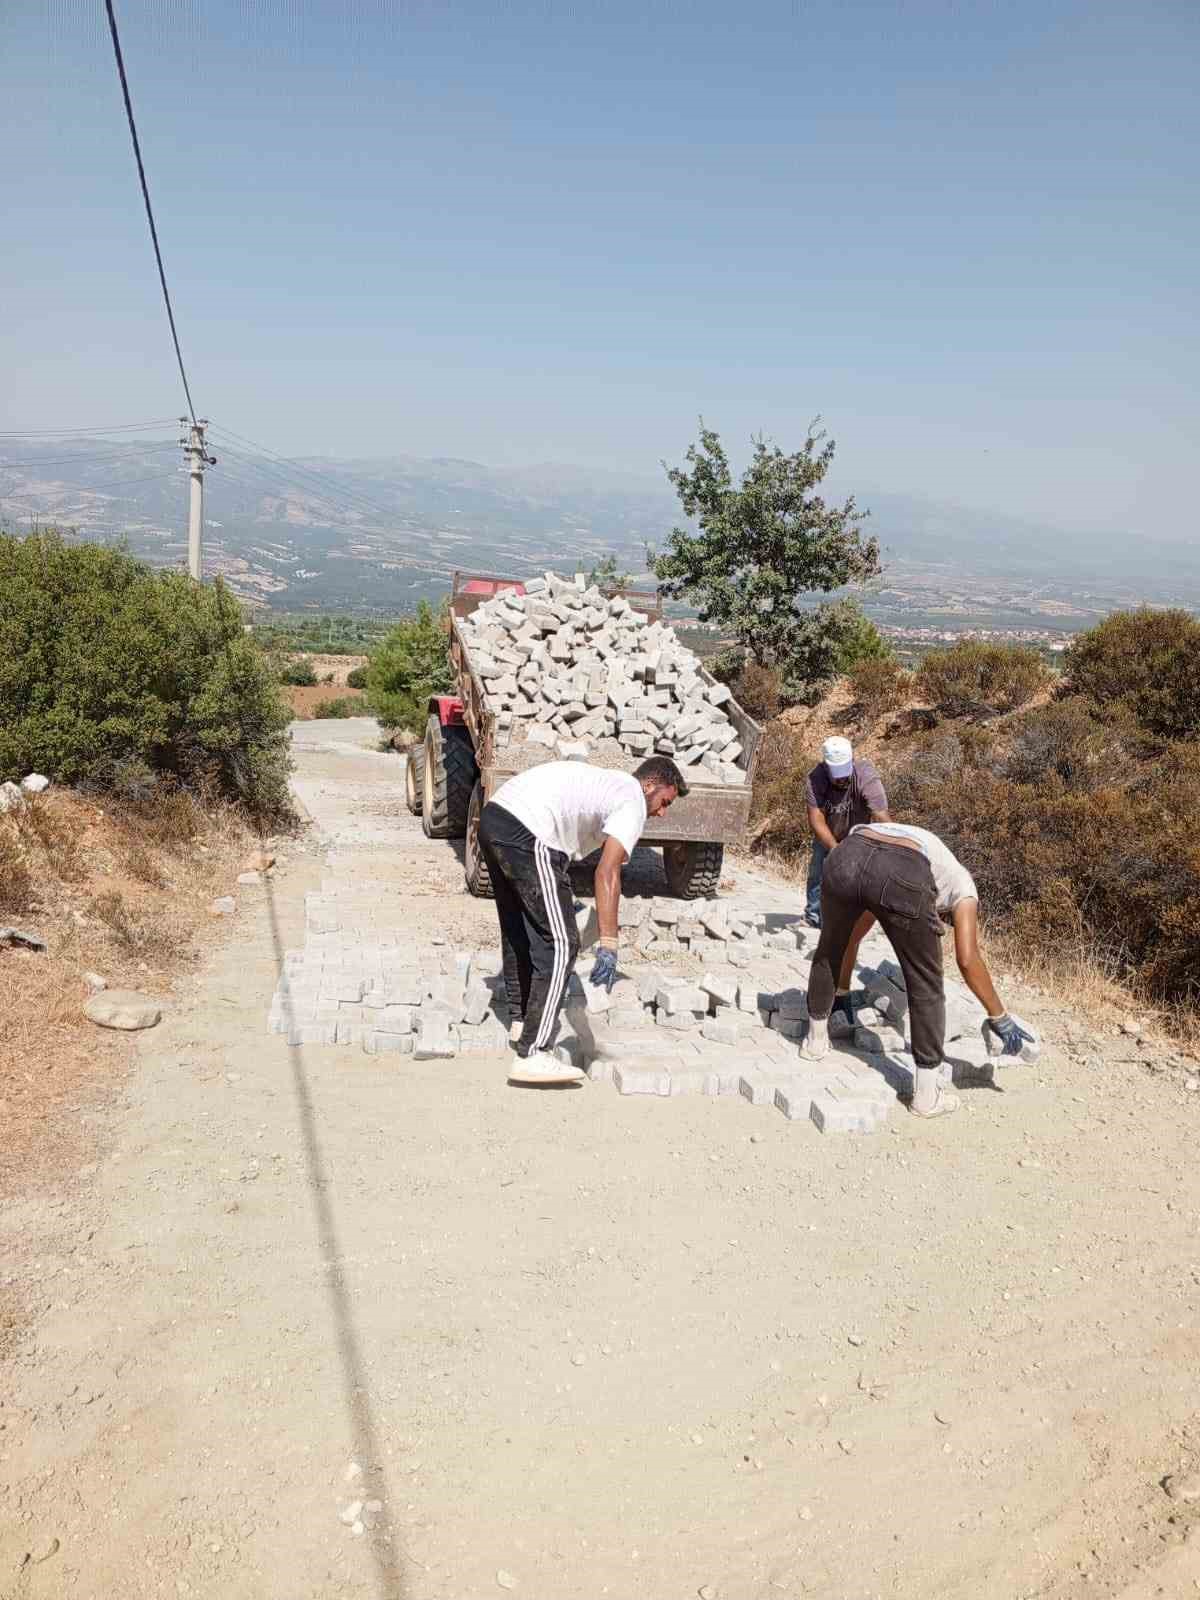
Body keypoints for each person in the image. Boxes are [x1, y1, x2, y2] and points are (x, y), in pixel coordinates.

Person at [800, 821, 1035, 1118]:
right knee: (925, 981)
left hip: (849, 853)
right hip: (900, 870)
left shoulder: (933, 855)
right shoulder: (964, 888)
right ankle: (926, 1097)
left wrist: (843, 993)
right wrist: (1000, 1017)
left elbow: (853, 935)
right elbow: (967, 958)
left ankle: (815, 1042)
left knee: (829, 946)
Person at [478, 756, 686, 1085]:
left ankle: (521, 1022)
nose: (662, 812)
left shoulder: (609, 786)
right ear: (649, 786)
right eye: (665, 802)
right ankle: (533, 1054)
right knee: (562, 943)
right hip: (529, 829)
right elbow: (608, 871)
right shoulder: (632, 799)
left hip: (495, 816)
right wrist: (609, 943)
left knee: (521, 929)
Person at [804, 736, 890, 928]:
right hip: (828, 832)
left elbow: (881, 815)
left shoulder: (866, 775)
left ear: (852, 759)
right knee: (818, 872)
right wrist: (835, 848)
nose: (841, 778)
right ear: (826, 765)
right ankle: (813, 915)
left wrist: (892, 846)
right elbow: (816, 819)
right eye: (836, 773)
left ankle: (852, 922)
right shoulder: (816, 778)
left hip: (858, 835)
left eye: (844, 771)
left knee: (856, 879)